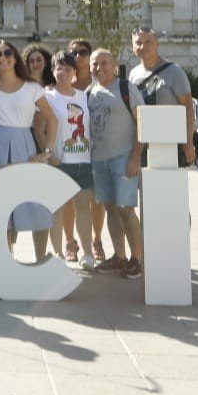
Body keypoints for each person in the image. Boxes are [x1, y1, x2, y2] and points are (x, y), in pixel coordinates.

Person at [0, 38, 58, 261]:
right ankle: (5, 259)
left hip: (24, 146)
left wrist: (47, 151)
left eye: (7, 53)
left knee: (35, 203)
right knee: (0, 206)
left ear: (15, 57)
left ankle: (40, 258)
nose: (3, 57)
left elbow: (51, 119)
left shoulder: (32, 88)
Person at [88, 49, 143, 278]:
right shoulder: (89, 92)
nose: (99, 68)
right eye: (95, 64)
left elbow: (143, 123)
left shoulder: (126, 88)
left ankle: (137, 259)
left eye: (104, 63)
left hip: (123, 158)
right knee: (110, 208)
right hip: (98, 160)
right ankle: (119, 256)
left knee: (126, 209)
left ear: (114, 66)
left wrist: (135, 157)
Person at [47, 51, 96, 270]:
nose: (64, 72)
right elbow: (39, 128)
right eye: (59, 68)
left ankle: (87, 253)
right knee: (56, 209)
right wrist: (48, 153)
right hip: (59, 161)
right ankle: (57, 254)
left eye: (68, 69)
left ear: (75, 72)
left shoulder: (84, 96)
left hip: (83, 160)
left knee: (83, 208)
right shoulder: (46, 96)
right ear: (53, 70)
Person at [129, 27, 196, 167]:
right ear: (133, 46)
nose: (143, 46)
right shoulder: (133, 74)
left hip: (170, 143)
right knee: (145, 186)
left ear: (157, 44)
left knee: (167, 186)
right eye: (138, 43)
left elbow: (188, 107)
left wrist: (188, 142)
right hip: (142, 144)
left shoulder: (174, 71)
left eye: (148, 42)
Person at [67, 38, 103, 261]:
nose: (78, 56)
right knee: (70, 198)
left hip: (96, 149)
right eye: (73, 53)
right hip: (70, 149)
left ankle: (96, 240)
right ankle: (70, 243)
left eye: (82, 52)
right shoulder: (62, 83)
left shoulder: (99, 84)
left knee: (96, 199)